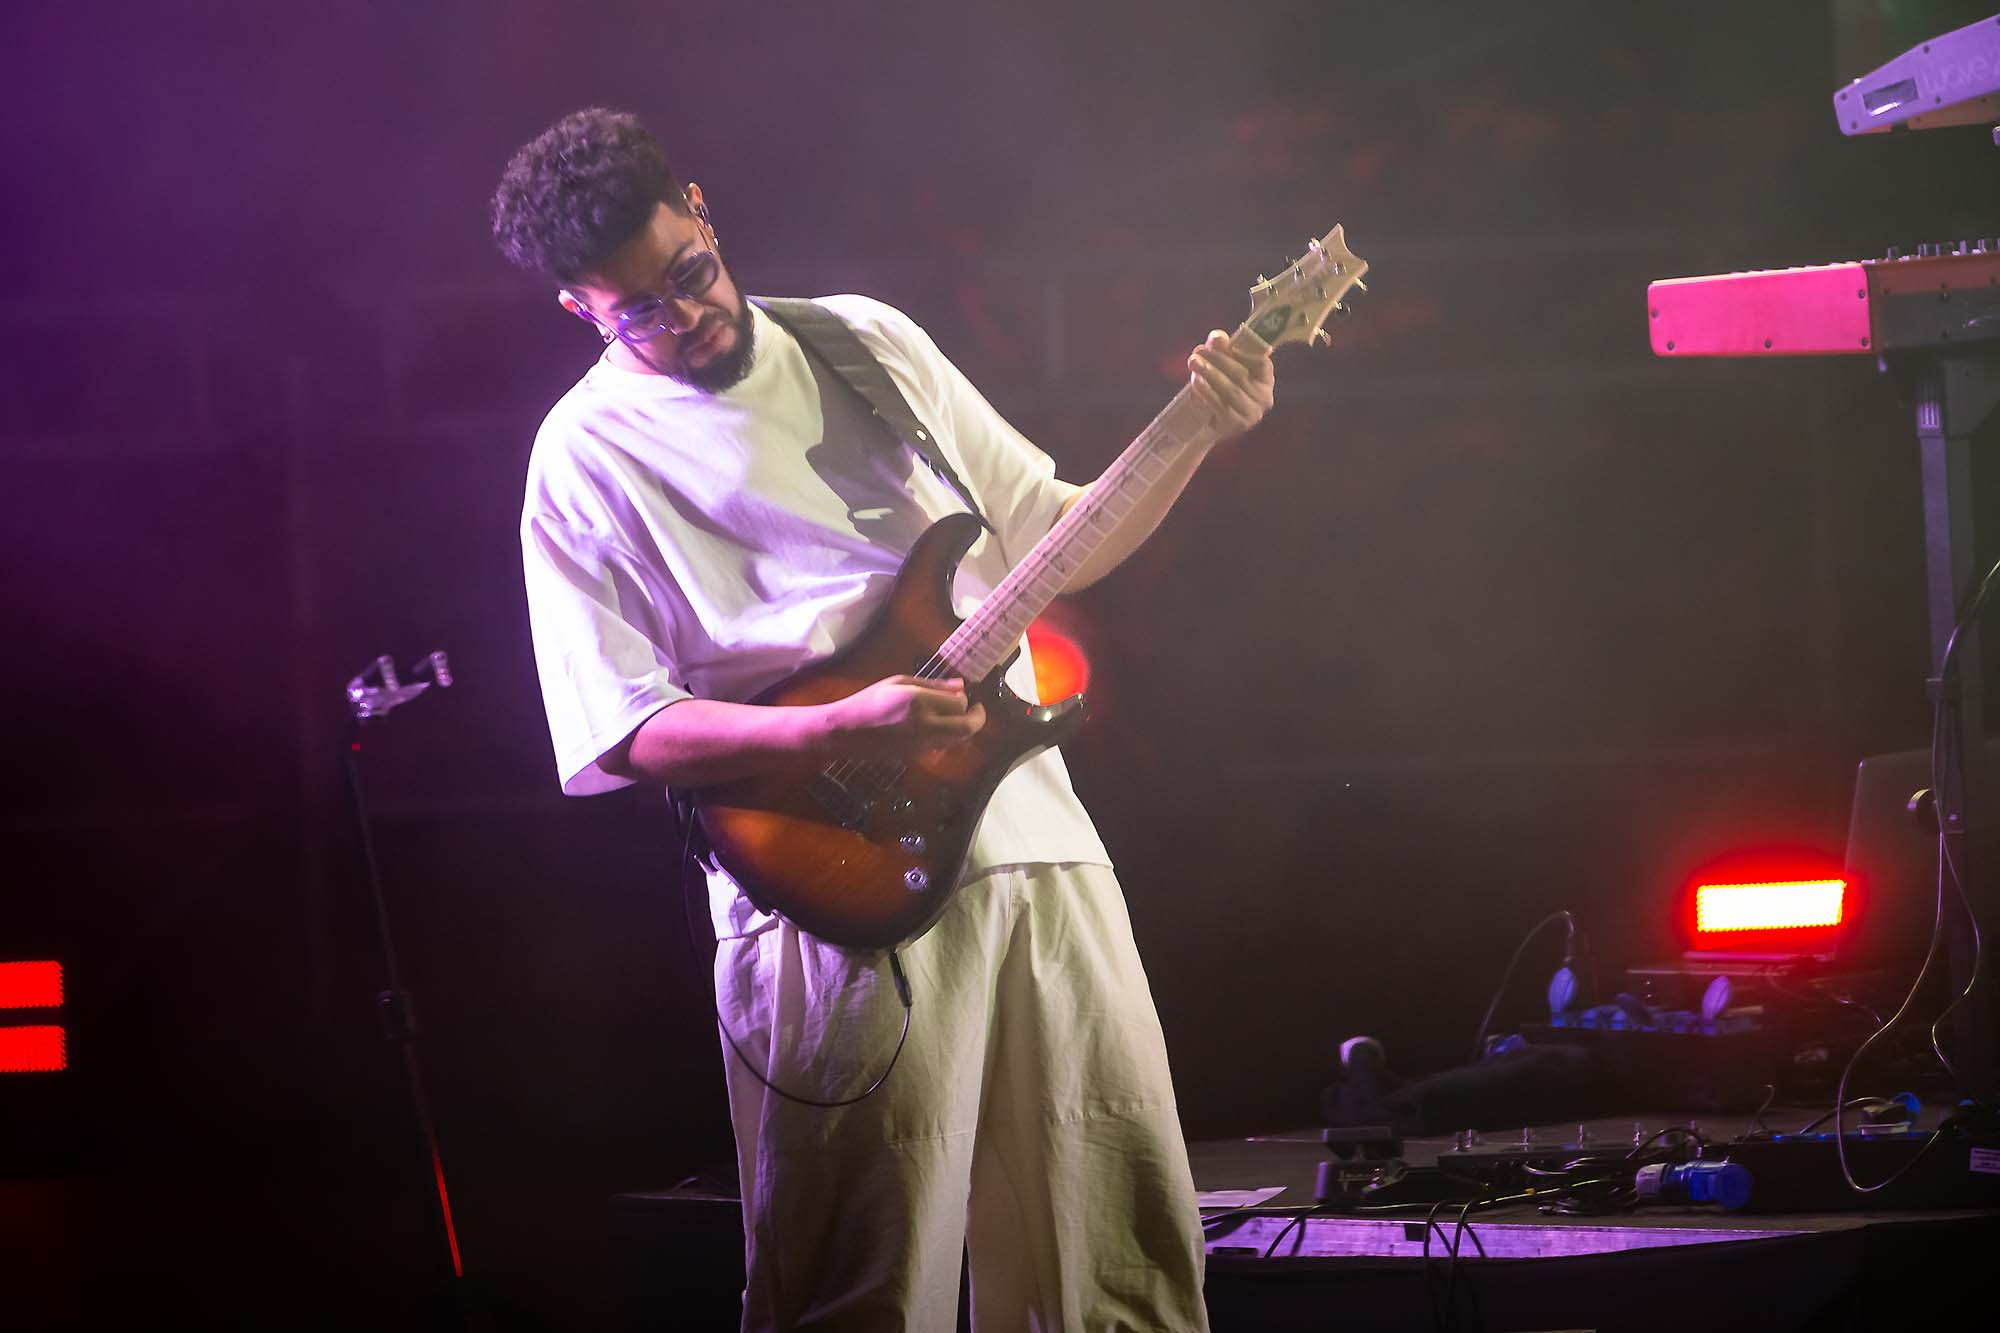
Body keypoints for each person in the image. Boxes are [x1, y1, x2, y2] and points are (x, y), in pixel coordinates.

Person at [493, 107, 1274, 1332]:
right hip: (829, 885)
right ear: (575, 308)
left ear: (700, 209)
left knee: (1121, 1263)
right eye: (636, 310)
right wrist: (832, 731)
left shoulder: (864, 341)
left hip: (1032, 842)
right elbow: (618, 728)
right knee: (859, 1288)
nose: (684, 315)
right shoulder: (582, 454)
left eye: (689, 274)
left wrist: (1194, 437)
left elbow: (1052, 537)